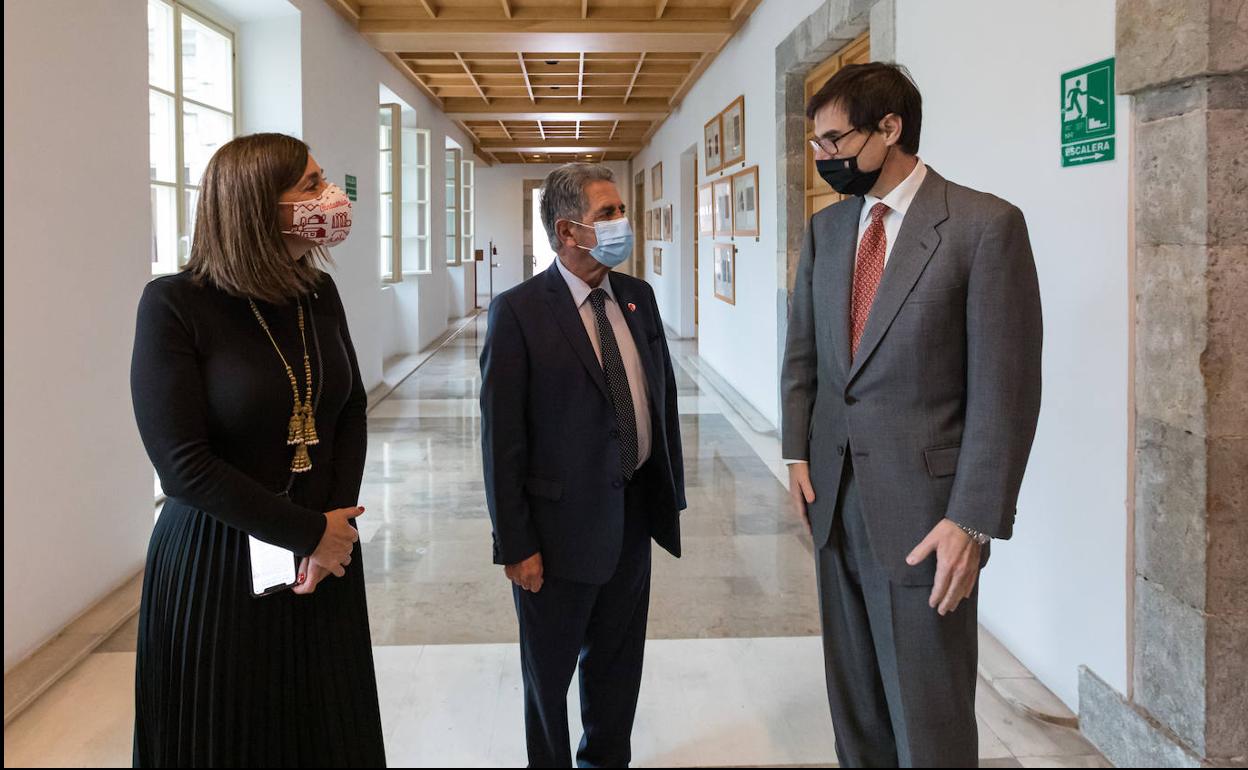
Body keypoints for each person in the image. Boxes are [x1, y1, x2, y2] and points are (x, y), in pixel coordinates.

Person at [781, 63, 1043, 767]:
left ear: (889, 128)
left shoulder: (984, 228)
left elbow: (1006, 392)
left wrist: (973, 520)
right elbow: (803, 356)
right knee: (857, 707)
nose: (824, 157)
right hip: (834, 503)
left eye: (834, 140)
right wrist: (796, 454)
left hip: (928, 514)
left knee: (927, 713)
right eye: (816, 145)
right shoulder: (830, 230)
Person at [130, 133, 386, 767]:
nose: (330, 198)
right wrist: (305, 531)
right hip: (217, 557)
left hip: (325, 554)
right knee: (225, 735)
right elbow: (181, 464)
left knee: (324, 730)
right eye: (309, 185)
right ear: (254, 205)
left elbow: (349, 407)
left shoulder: (316, 294)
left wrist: (336, 528)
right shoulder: (174, 304)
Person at [479, 163, 686, 767]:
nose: (622, 223)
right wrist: (515, 542)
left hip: (630, 517)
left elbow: (659, 397)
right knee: (548, 677)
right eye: (608, 214)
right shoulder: (518, 311)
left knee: (619, 667)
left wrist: (663, 497)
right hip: (555, 532)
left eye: (620, 210)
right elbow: (501, 440)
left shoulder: (636, 297)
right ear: (569, 230)